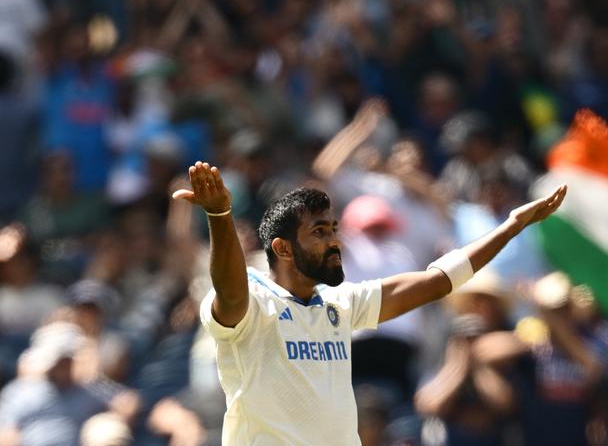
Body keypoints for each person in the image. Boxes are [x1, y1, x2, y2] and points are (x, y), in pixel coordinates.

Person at [171, 160, 567, 445]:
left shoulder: (339, 303)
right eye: (319, 232)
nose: (334, 241)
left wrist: (511, 227)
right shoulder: (253, 304)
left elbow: (437, 280)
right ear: (283, 249)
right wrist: (220, 215)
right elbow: (231, 288)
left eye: (333, 229)